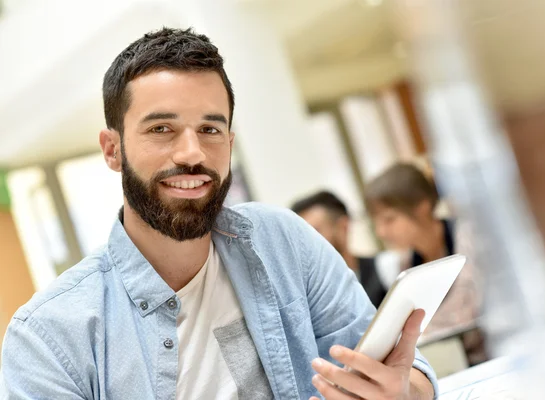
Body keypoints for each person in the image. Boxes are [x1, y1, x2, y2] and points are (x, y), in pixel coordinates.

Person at [0, 28, 437, 399]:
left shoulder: (283, 240)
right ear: (113, 150)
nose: (192, 152)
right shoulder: (47, 338)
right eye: (161, 129)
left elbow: (399, 366)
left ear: (229, 143)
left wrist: (408, 389)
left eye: (210, 129)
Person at [366, 162, 487, 366]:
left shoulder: (472, 240)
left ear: (422, 207)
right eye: (376, 223)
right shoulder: (402, 268)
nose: (381, 233)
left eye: (389, 219)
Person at [291, 191, 387, 308]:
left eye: (315, 232)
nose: (306, 244)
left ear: (343, 227)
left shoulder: (386, 269)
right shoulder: (309, 300)